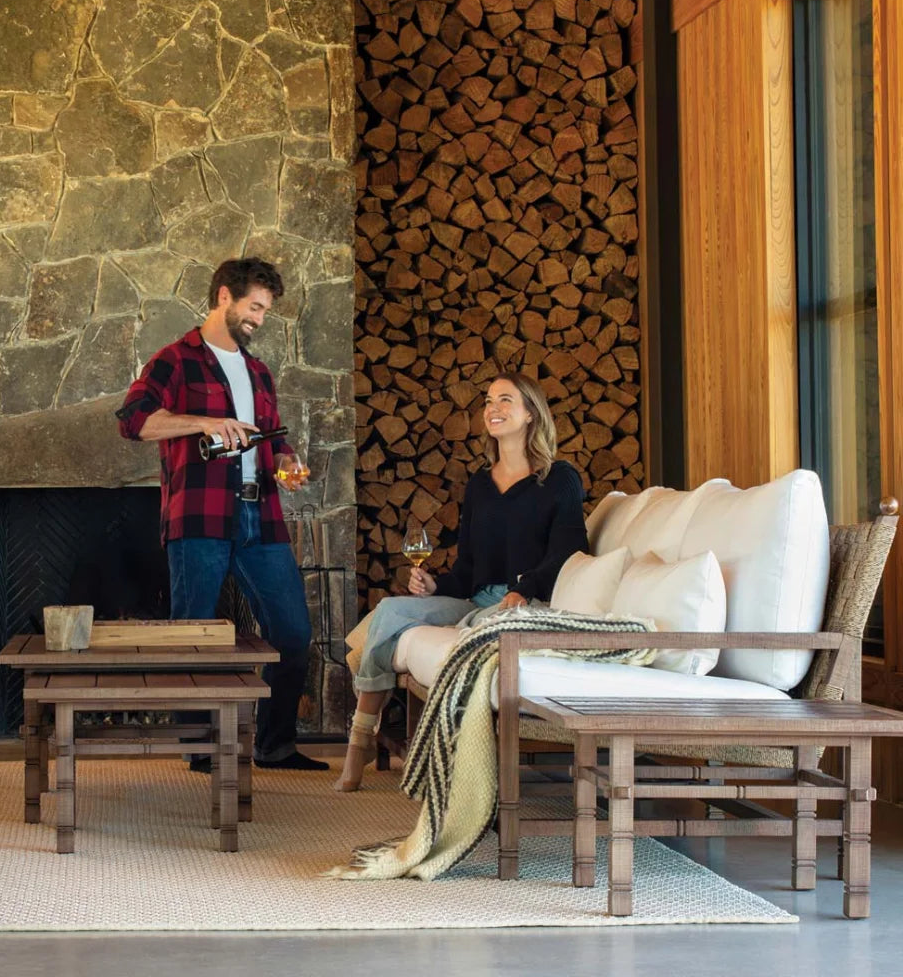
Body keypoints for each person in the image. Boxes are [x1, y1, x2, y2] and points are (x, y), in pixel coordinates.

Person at [117, 257, 326, 771]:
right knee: (191, 636)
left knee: (293, 633)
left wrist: (287, 461)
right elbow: (134, 421)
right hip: (200, 518)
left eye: (265, 310)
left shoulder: (258, 370)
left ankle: (274, 746)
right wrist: (202, 423)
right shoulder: (175, 359)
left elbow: (274, 439)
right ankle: (201, 752)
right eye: (254, 306)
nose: (259, 318)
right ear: (224, 297)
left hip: (262, 515)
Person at [334, 372, 588, 791]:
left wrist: (523, 588)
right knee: (391, 610)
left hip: (524, 603)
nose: (493, 408)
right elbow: (468, 568)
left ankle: (366, 752)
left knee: (420, 626)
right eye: (489, 401)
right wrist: (436, 588)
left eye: (506, 400)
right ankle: (359, 743)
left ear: (530, 414)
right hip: (475, 598)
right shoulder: (479, 486)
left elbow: (567, 552)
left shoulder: (559, 479)